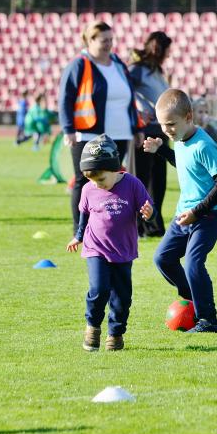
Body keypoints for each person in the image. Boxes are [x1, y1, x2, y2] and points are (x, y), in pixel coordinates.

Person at [143, 89, 217, 333]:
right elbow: (183, 161)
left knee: (193, 262)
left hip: (210, 214)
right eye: (163, 125)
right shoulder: (179, 139)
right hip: (185, 213)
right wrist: (161, 149)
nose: (167, 130)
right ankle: (191, 295)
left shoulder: (204, 145)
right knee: (163, 258)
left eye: (171, 124)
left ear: (189, 117)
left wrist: (198, 212)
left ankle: (208, 319)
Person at [66, 135, 154, 351]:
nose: (97, 184)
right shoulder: (88, 189)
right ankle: (93, 327)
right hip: (95, 247)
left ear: (115, 169)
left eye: (101, 180)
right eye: (92, 180)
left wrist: (148, 213)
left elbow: (148, 209)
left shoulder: (132, 184)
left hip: (123, 251)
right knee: (99, 289)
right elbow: (84, 216)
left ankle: (115, 333)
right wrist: (78, 236)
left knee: (122, 297)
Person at [58, 21, 143, 235]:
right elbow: (66, 98)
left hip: (121, 132)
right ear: (90, 40)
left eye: (111, 40)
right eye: (104, 40)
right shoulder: (79, 64)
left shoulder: (117, 63)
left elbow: (129, 97)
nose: (109, 45)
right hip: (88, 132)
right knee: (84, 180)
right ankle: (82, 228)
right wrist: (68, 128)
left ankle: (107, 225)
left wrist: (136, 127)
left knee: (113, 179)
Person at [129, 31, 172, 237]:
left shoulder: (157, 72)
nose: (169, 55)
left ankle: (154, 225)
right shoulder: (137, 70)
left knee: (159, 182)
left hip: (161, 131)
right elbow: (126, 90)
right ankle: (137, 225)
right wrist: (139, 109)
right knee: (142, 179)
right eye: (167, 50)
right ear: (158, 49)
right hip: (145, 131)